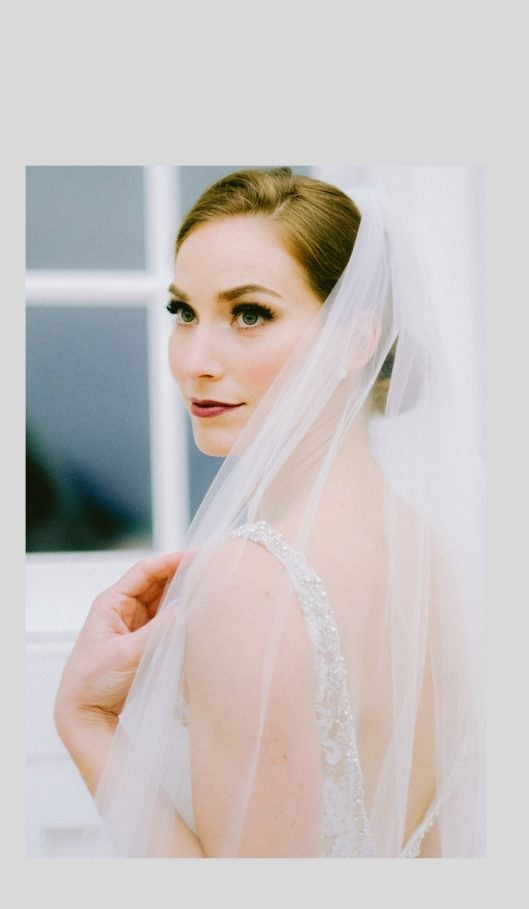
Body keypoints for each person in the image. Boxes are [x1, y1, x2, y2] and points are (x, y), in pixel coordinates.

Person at [54, 167, 485, 857]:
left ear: (356, 340)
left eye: (249, 314)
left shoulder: (251, 583)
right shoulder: (426, 548)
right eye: (183, 312)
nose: (195, 361)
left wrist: (84, 719)